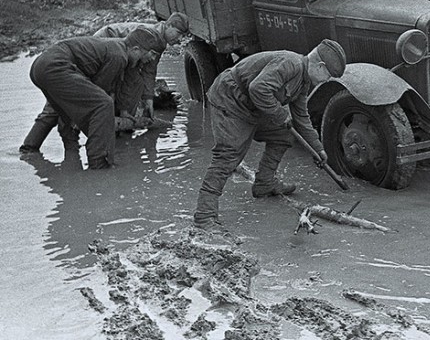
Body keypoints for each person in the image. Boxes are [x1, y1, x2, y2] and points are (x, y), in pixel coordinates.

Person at [194, 39, 348, 231]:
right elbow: (258, 88)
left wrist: (318, 149)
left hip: (253, 106)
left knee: (283, 135)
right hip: (230, 99)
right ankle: (204, 216)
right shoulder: (290, 63)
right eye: (328, 76)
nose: (326, 81)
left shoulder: (303, 81)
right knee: (227, 155)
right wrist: (280, 113)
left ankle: (264, 183)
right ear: (320, 66)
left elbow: (301, 117)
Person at [19, 13, 189, 153]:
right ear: (168, 25)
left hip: (113, 53)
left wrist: (148, 99)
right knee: (74, 100)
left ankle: (95, 141)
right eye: (179, 33)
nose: (180, 39)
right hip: (105, 46)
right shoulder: (149, 38)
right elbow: (113, 79)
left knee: (127, 89)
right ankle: (34, 147)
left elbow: (148, 72)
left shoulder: (158, 42)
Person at [26, 29, 158, 169]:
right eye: (149, 53)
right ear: (136, 49)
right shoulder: (119, 56)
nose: (152, 58)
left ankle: (31, 150)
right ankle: (99, 163)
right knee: (103, 104)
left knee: (65, 112)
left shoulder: (118, 48)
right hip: (56, 66)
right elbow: (100, 87)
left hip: (40, 66)